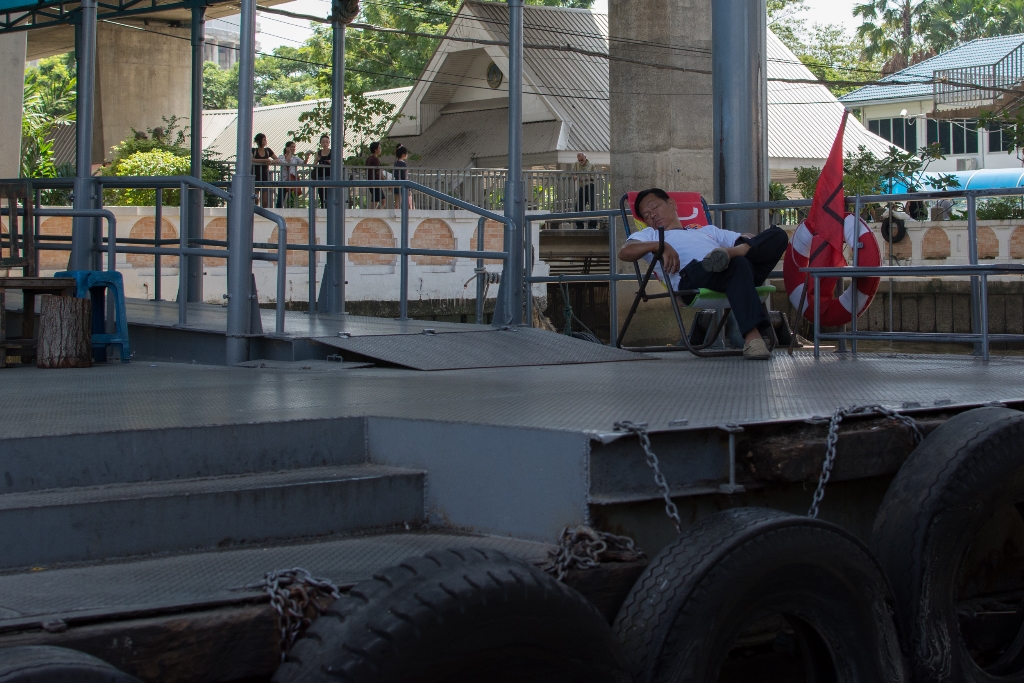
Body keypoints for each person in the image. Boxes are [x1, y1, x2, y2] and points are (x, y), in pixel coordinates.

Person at [618, 188, 789, 360]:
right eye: (647, 215)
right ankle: (753, 339)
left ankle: (735, 252)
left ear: (672, 203)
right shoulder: (652, 235)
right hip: (692, 277)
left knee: (778, 235)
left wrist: (749, 243)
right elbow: (625, 252)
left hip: (735, 274)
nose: (652, 215)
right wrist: (660, 245)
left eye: (655, 207)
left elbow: (750, 238)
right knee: (738, 262)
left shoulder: (706, 231)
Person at [276, 140, 306, 208]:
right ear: (287, 148)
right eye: (291, 147)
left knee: (291, 200)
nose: (293, 149)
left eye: (294, 147)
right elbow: (287, 162)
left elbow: (303, 163)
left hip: (292, 180)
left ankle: (290, 211)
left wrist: (307, 157)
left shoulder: (295, 158)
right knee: (280, 199)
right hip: (283, 180)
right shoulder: (281, 157)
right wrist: (289, 153)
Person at [252, 133, 279, 208]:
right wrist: (263, 160)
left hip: (264, 176)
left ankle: (263, 213)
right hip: (255, 176)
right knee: (255, 199)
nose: (264, 142)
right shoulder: (253, 150)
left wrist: (271, 161)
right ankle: (254, 212)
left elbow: (277, 160)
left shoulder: (268, 150)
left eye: (265, 140)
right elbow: (251, 159)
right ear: (258, 141)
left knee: (265, 201)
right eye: (263, 140)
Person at [572, 152, 598, 229]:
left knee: (592, 206)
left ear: (585, 158)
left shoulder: (591, 165)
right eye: (579, 160)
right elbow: (573, 173)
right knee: (579, 206)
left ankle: (592, 225)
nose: (581, 162)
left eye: (582, 160)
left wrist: (586, 178)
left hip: (590, 186)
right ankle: (579, 225)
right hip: (581, 187)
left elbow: (595, 176)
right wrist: (574, 176)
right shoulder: (576, 164)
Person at [313, 134, 331, 209]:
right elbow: (314, 164)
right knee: (321, 193)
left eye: (326, 142)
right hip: (320, 175)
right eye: (323, 142)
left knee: (329, 193)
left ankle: (329, 208)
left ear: (329, 142)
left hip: (329, 174)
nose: (325, 144)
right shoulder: (319, 152)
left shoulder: (332, 151)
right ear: (320, 143)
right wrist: (316, 160)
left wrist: (330, 162)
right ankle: (323, 207)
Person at [393, 145, 412, 211]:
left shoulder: (396, 163)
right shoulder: (403, 164)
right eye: (406, 153)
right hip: (403, 184)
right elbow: (405, 176)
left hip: (396, 183)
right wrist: (409, 189)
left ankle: (396, 213)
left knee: (397, 203)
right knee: (407, 201)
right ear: (403, 154)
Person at [366, 141, 383, 209]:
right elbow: (378, 172)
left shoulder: (369, 159)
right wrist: (384, 180)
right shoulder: (375, 159)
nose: (380, 149)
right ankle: (371, 213)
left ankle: (374, 213)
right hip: (375, 182)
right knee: (376, 200)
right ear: (376, 150)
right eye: (379, 148)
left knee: (381, 200)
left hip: (370, 181)